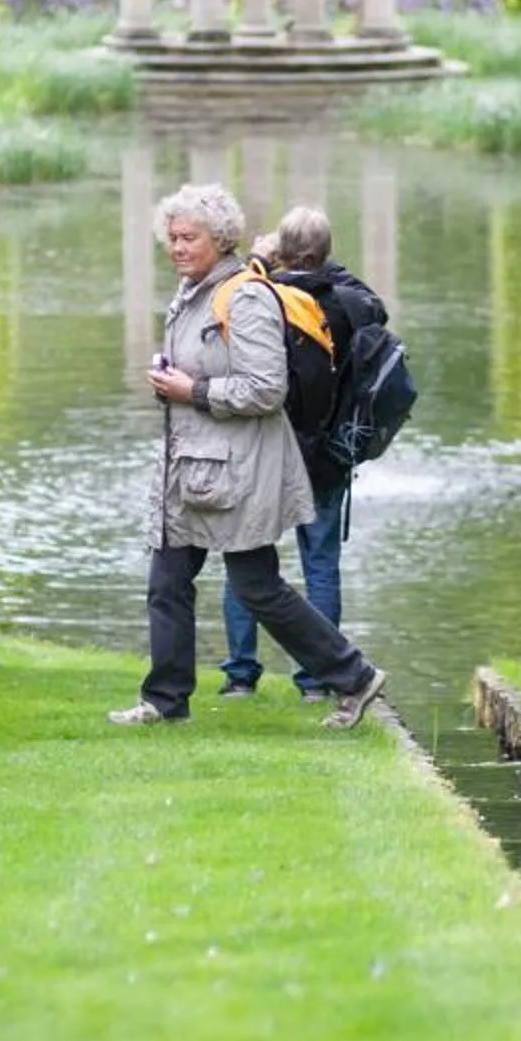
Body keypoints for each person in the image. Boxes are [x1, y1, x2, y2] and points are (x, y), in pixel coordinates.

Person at [113, 184, 394, 731]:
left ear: (220, 239)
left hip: (235, 470)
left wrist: (190, 390)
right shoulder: (191, 292)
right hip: (189, 465)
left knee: (257, 586)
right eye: (171, 237)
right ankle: (165, 700)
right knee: (166, 580)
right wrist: (172, 383)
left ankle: (355, 677)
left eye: (188, 237)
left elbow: (267, 388)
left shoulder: (244, 297)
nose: (176, 247)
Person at [218, 206, 386, 700]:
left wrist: (261, 259)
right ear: (324, 256)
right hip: (325, 455)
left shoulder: (261, 297)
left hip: (264, 450)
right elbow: (377, 306)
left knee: (245, 562)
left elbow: (228, 298)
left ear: (287, 253)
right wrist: (317, 263)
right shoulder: (346, 302)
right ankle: (317, 679)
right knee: (320, 566)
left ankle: (240, 675)